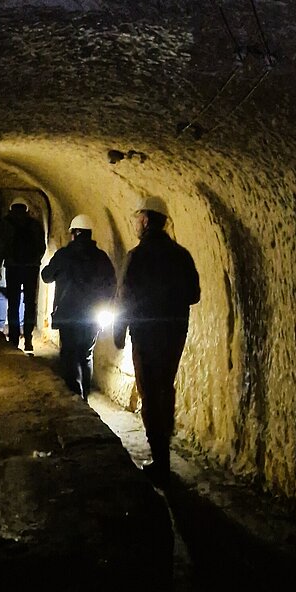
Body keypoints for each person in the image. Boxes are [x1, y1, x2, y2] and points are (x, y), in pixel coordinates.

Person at [114, 195, 200, 487]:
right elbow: (193, 294)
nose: (136, 224)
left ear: (147, 220)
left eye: (138, 219)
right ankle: (164, 450)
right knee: (165, 387)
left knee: (149, 393)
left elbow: (124, 297)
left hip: (146, 334)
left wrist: (119, 332)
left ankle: (160, 462)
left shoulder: (136, 256)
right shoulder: (181, 255)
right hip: (174, 333)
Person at [41, 215, 117, 400]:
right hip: (92, 316)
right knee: (86, 355)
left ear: (74, 233)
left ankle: (73, 395)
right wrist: (103, 305)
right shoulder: (101, 258)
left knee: (69, 355)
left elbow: (46, 276)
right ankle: (85, 396)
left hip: (68, 314)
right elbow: (112, 285)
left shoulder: (64, 255)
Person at [0, 199, 46, 353]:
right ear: (26, 209)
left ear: (11, 208)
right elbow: (41, 247)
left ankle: (14, 339)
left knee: (14, 303)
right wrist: (35, 260)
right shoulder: (34, 224)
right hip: (31, 268)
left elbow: (0, 246)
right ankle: (29, 339)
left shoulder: (6, 223)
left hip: (13, 267)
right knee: (30, 303)